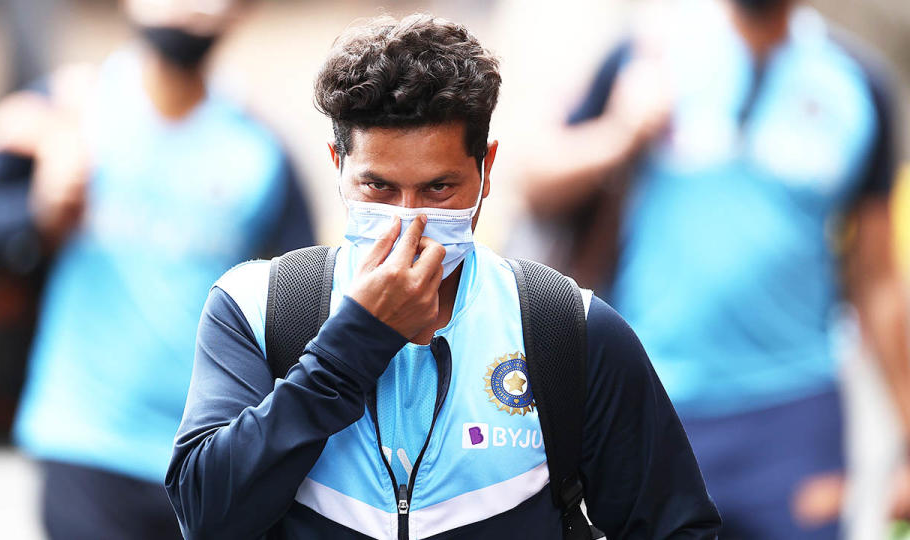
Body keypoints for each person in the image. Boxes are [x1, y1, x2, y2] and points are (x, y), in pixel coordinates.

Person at [166, 14, 721, 539]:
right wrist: (350, 346)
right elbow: (205, 518)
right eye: (378, 187)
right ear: (337, 164)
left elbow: (677, 525)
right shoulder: (257, 308)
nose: (411, 220)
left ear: (487, 171)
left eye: (439, 188)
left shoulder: (566, 327)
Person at [521, 0, 910, 537]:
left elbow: (877, 277)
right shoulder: (647, 56)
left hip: (796, 413)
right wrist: (621, 132)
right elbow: (535, 183)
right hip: (654, 399)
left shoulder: (858, 82)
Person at [0, 0, 315, 537]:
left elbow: (299, 306)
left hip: (203, 456)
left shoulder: (260, 148)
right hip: (84, 440)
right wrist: (38, 210)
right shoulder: (70, 110)